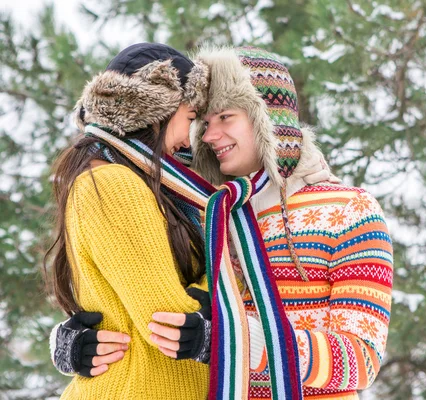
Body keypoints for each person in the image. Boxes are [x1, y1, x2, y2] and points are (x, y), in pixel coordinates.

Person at [50, 46, 393, 400]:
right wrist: (77, 342)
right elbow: (148, 293)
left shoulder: (349, 210)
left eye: (226, 117)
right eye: (203, 122)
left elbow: (362, 358)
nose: (210, 136)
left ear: (268, 119)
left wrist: (235, 343)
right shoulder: (206, 211)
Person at [44, 42, 212, 399]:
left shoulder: (150, 184)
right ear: (158, 111)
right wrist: (229, 298)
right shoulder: (113, 185)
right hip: (141, 385)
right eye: (191, 118)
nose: (188, 138)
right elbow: (166, 321)